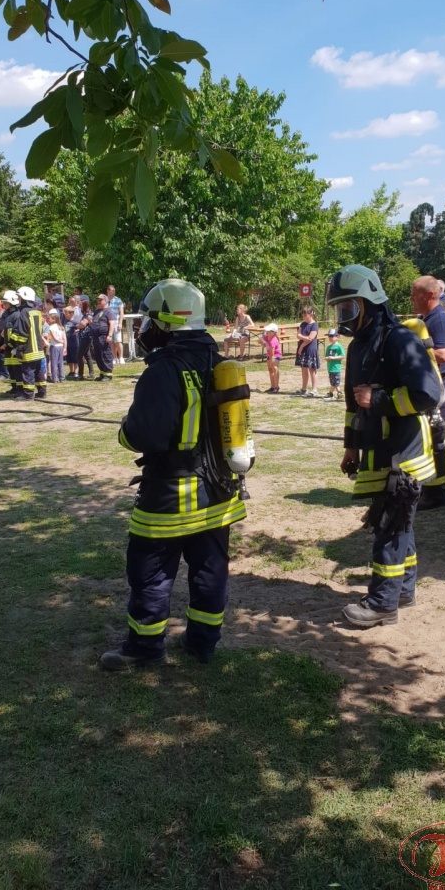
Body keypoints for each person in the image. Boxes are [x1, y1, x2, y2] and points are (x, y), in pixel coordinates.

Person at [100, 278, 248, 671]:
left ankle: (145, 649)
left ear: (167, 323)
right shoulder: (218, 363)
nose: (145, 329)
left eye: (150, 321)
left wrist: (124, 428)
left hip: (170, 493)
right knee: (209, 569)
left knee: (150, 570)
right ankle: (202, 644)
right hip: (219, 493)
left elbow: (143, 434)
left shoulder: (163, 371)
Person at [328, 264, 441, 629]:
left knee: (390, 523)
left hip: (403, 451)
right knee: (400, 521)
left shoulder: (399, 340)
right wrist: (351, 448)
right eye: (340, 310)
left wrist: (378, 400)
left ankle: (382, 603)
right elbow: (351, 406)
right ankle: (403, 590)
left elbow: (428, 394)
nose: (344, 318)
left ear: (370, 304)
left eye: (349, 309)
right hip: (378, 449)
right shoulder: (359, 347)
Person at [411, 276, 445, 511]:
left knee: (435, 443)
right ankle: (427, 488)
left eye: (415, 294)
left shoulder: (440, 320)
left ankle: (438, 494)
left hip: (437, 393)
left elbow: (444, 354)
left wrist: (412, 347)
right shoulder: (424, 319)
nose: (411, 299)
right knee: (425, 442)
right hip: (426, 390)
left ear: (429, 295)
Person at [8, 287, 47, 400]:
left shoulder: (23, 312)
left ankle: (28, 395)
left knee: (28, 373)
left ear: (24, 298)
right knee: (39, 372)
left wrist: (18, 348)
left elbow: (22, 333)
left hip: (28, 350)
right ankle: (42, 392)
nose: (18, 300)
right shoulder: (37, 312)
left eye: (20, 297)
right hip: (39, 350)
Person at [0, 291, 23, 397]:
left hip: (13, 347)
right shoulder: (8, 314)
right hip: (8, 347)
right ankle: (14, 387)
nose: (4, 304)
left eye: (6, 302)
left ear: (11, 302)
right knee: (11, 368)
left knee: (17, 370)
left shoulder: (16, 315)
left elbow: (16, 332)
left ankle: (20, 389)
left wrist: (9, 345)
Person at [294, 305, 320, 397]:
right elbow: (298, 335)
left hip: (310, 349)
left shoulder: (315, 325)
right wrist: (304, 338)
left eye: (306, 315)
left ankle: (314, 389)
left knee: (312, 369)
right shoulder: (302, 324)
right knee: (303, 369)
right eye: (303, 315)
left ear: (311, 314)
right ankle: (303, 388)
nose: (304, 317)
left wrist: (301, 346)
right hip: (303, 348)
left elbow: (310, 338)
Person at [91, 294, 115, 381]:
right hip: (96, 337)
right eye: (98, 300)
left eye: (100, 300)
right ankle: (102, 373)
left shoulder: (109, 311)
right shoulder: (97, 311)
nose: (98, 302)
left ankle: (108, 374)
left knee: (105, 354)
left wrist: (109, 335)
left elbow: (112, 323)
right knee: (98, 355)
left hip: (104, 337)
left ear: (106, 300)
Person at [44, 310, 67, 383]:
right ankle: (62, 377)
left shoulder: (51, 327)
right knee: (60, 362)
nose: (48, 320)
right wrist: (65, 347)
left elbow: (55, 338)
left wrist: (61, 341)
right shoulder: (61, 327)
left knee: (54, 363)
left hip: (54, 346)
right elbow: (64, 338)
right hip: (60, 346)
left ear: (54, 319)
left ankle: (55, 378)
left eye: (49, 318)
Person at [324, 328, 345, 400]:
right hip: (330, 368)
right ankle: (331, 393)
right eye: (329, 336)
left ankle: (338, 392)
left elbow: (342, 356)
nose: (330, 338)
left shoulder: (339, 346)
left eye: (332, 336)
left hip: (336, 367)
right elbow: (326, 356)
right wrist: (327, 358)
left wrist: (333, 358)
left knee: (335, 382)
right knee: (332, 382)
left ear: (337, 337)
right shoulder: (328, 347)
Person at [260, 322, 282, 393]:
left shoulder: (273, 340)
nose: (267, 332)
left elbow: (272, 353)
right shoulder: (267, 337)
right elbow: (261, 342)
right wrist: (262, 342)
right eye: (267, 331)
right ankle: (272, 386)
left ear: (273, 332)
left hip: (275, 355)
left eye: (269, 331)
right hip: (269, 355)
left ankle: (276, 386)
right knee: (270, 369)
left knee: (274, 368)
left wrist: (271, 361)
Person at [76, 300, 95, 380]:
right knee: (87, 355)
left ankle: (80, 375)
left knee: (79, 355)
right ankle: (91, 373)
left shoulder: (89, 315)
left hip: (86, 337)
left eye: (81, 305)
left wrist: (77, 326)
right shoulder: (85, 315)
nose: (79, 307)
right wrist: (79, 325)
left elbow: (83, 325)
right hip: (83, 337)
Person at [107, 284, 125, 365]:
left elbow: (121, 312)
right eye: (112, 290)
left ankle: (121, 357)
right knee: (111, 342)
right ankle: (114, 357)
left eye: (114, 290)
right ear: (108, 291)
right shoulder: (105, 299)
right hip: (108, 322)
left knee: (118, 341)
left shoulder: (118, 300)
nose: (113, 292)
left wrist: (120, 323)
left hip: (116, 322)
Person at [62, 304, 80, 379]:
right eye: (65, 313)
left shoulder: (75, 322)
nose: (65, 315)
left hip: (74, 342)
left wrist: (77, 330)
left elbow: (79, 328)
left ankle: (76, 371)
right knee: (68, 358)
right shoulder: (64, 321)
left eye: (66, 313)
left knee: (75, 358)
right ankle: (71, 371)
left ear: (71, 314)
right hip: (67, 343)